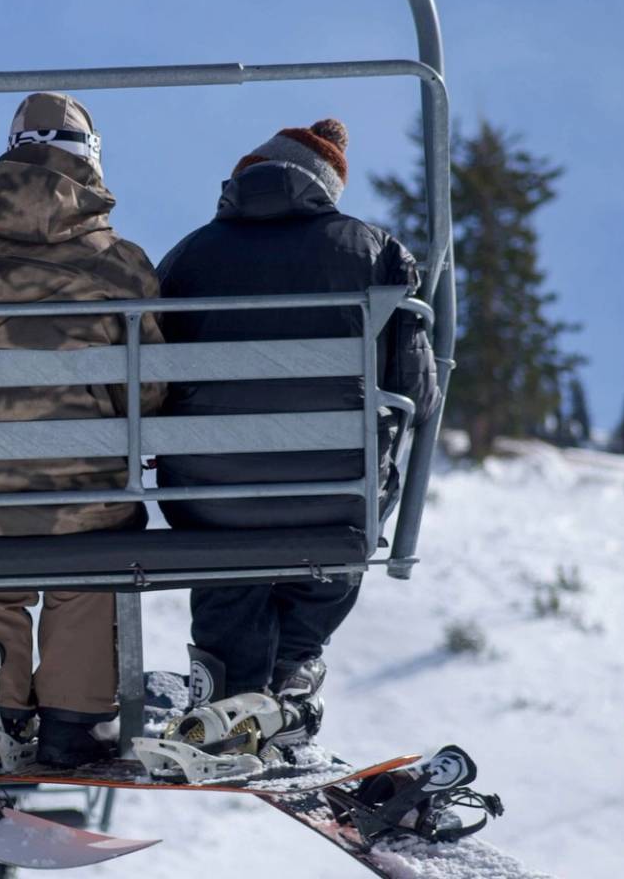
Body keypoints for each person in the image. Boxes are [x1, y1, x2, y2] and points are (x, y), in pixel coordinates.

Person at [149, 118, 440, 763]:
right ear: (327, 188)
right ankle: (291, 673)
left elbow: (152, 383)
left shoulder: (189, 254)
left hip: (209, 498)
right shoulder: (374, 251)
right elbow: (414, 394)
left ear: (246, 174)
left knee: (227, 541)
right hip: (333, 495)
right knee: (345, 515)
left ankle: (227, 682)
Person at [0, 93, 164, 769]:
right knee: (88, 567)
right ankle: (77, 724)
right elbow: (154, 388)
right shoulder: (119, 263)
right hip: (82, 505)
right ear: (91, 161)